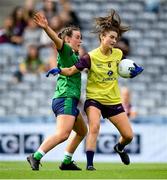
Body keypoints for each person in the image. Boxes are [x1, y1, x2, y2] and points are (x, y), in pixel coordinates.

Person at [46, 9, 143, 170]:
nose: (113, 40)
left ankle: (119, 147)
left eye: (115, 38)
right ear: (102, 37)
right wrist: (59, 70)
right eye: (111, 37)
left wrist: (136, 70)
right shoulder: (90, 57)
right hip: (94, 99)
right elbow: (71, 70)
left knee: (128, 136)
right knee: (95, 127)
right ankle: (90, 164)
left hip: (113, 100)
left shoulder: (118, 54)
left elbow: (127, 67)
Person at [26, 12, 87, 171]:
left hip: (69, 99)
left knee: (82, 131)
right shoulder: (66, 50)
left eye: (81, 37)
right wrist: (46, 27)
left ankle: (66, 162)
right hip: (65, 98)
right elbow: (57, 41)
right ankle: (36, 156)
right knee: (62, 134)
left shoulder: (74, 56)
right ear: (68, 39)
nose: (80, 40)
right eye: (77, 37)